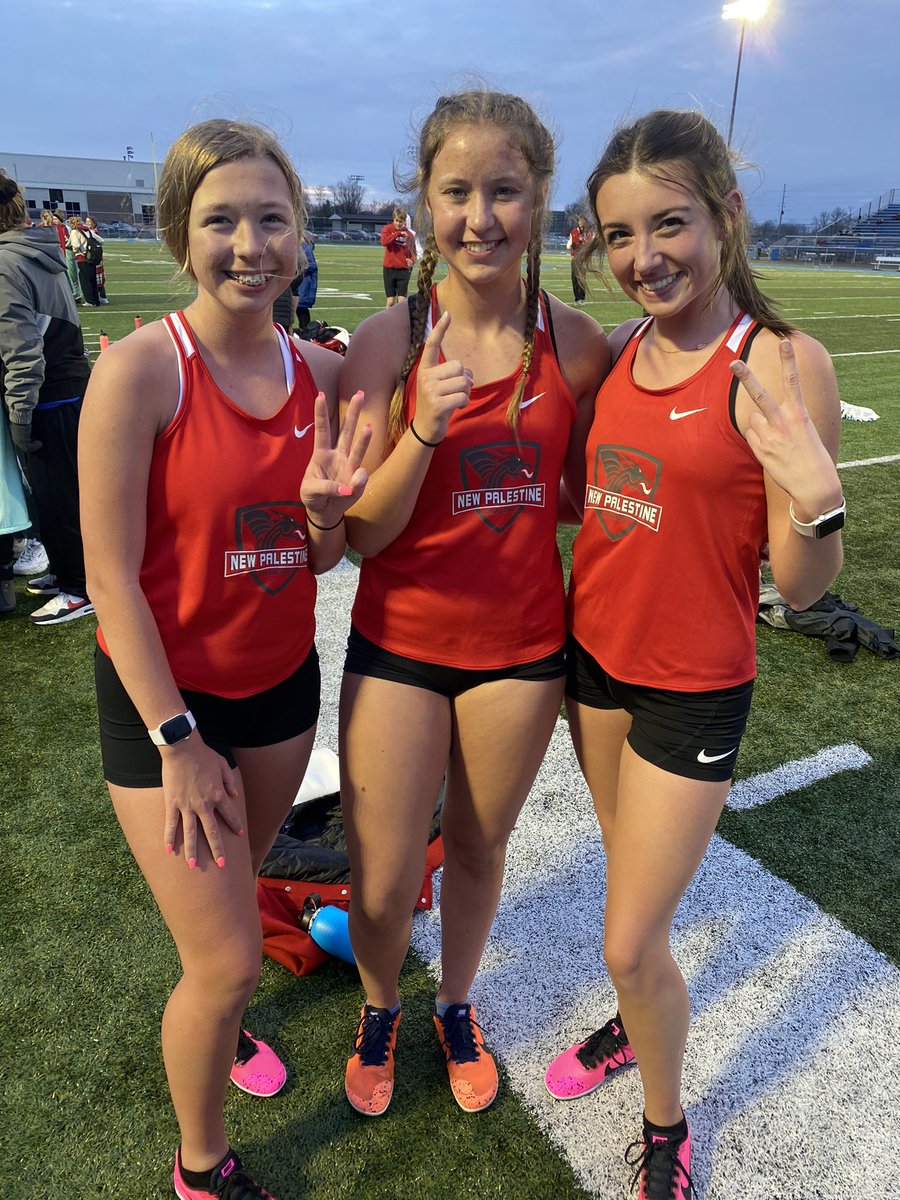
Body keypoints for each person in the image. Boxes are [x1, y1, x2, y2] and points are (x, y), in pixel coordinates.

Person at [542, 110, 844, 1199]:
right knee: (635, 897)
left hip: (694, 689)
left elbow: (802, 588)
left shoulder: (780, 363)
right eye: (621, 235)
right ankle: (638, 1019)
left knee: (629, 942)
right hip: (593, 666)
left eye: (668, 224)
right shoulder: (622, 349)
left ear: (727, 214)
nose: (645, 257)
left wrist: (816, 498)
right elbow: (590, 499)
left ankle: (667, 1128)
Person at [77, 119, 371, 1200]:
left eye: (272, 219)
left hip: (282, 690)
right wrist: (179, 741)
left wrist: (327, 515)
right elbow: (111, 581)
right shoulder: (139, 372)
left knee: (236, 900)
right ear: (179, 235)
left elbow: (322, 556)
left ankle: (225, 1015)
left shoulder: (326, 374)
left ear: (301, 235)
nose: (251, 245)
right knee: (227, 961)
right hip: (166, 705)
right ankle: (200, 1170)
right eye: (221, 221)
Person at [338, 89, 609, 1118]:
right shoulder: (387, 342)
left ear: (539, 200)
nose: (481, 217)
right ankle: (379, 1006)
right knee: (381, 873)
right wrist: (421, 428)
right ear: (425, 201)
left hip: (522, 650)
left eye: (505, 191)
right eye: (457, 192)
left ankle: (455, 1003)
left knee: (481, 848)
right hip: (400, 645)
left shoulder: (576, 344)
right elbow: (363, 533)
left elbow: (583, 494)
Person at [0, 170, 92, 625]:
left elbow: (22, 348)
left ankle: (79, 587)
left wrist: (20, 411)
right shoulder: (32, 249)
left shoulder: (5, 262)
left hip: (47, 393)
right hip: (67, 385)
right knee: (63, 491)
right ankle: (67, 571)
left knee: (57, 494)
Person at [379, 205, 416, 307]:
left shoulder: (409, 235)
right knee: (390, 301)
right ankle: (388, 317)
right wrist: (398, 234)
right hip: (389, 269)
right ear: (393, 219)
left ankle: (402, 317)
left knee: (402, 301)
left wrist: (412, 260)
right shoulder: (387, 229)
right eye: (396, 221)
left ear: (404, 222)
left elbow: (414, 252)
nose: (398, 223)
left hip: (403, 270)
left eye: (401, 221)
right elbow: (384, 241)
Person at [67, 216, 101, 306]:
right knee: (92, 280)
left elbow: (76, 245)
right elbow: (101, 240)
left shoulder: (74, 232)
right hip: (91, 257)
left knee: (85, 280)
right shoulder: (88, 231)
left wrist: (76, 251)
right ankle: (95, 300)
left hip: (82, 258)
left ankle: (89, 301)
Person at [53, 208, 83, 303]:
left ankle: (77, 294)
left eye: (55, 219)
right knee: (65, 276)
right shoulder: (56, 228)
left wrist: (65, 245)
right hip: (62, 253)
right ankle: (70, 293)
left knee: (72, 274)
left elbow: (71, 241)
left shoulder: (66, 228)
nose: (54, 221)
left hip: (69, 253)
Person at [294, 235, 318, 330]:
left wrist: (297, 268)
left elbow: (311, 265)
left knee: (301, 307)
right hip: (299, 281)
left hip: (302, 281)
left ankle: (305, 331)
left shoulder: (304, 246)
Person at [84, 216, 109, 303]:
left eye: (89, 221)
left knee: (98, 277)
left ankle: (102, 296)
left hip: (95, 257)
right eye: (86, 221)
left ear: (94, 223)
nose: (87, 223)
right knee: (96, 276)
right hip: (94, 256)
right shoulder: (90, 231)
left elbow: (100, 242)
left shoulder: (93, 232)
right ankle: (99, 296)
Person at [567, 214, 591, 303]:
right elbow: (569, 245)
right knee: (574, 279)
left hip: (583, 259)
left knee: (582, 278)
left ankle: (582, 297)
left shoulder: (588, 233)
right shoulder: (574, 232)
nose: (581, 223)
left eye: (582, 221)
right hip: (575, 258)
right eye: (580, 221)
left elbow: (590, 244)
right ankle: (577, 298)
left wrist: (584, 241)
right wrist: (576, 242)